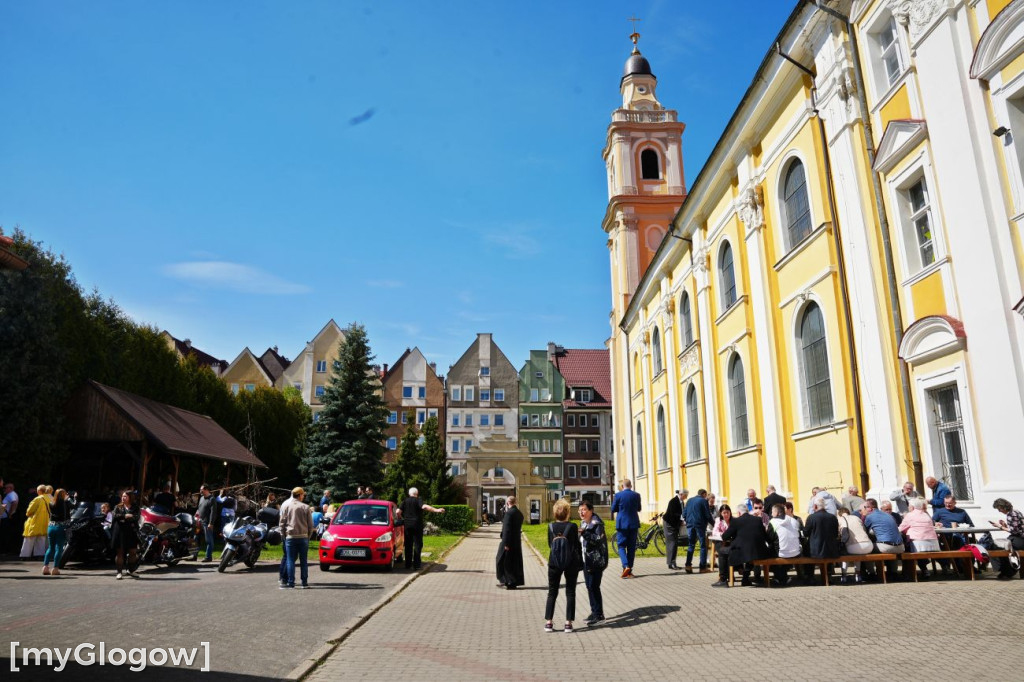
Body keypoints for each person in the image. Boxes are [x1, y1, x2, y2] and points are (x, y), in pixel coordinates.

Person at [544, 499, 581, 633]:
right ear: (568, 512)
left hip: (554, 562)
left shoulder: (550, 527)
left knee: (552, 592)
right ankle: (568, 623)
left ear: (555, 513)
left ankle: (548, 622)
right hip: (570, 563)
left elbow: (550, 544)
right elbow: (576, 545)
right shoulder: (573, 526)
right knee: (570, 592)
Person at [719, 500, 769, 587]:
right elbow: (765, 536)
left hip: (742, 552)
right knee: (750, 553)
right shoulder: (758, 520)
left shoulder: (736, 521)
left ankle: (723, 579)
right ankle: (745, 578)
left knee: (722, 551)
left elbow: (724, 537)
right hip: (759, 551)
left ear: (738, 513)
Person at [399, 487, 445, 570]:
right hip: (417, 525)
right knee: (417, 544)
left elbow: (398, 511)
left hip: (407, 526)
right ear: (417, 494)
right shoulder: (418, 500)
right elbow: (424, 507)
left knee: (408, 545)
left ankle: (408, 564)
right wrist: (436, 510)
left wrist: (402, 518)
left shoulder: (405, 501)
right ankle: (416, 565)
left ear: (409, 494)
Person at [861, 498, 905, 581]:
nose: (864, 509)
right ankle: (893, 573)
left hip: (886, 546)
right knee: (892, 546)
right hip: (901, 546)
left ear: (870, 508)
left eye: (865, 507)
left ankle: (871, 574)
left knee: (866, 549)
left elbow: (864, 531)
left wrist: (863, 516)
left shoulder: (870, 516)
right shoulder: (889, 515)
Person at [578, 500, 606, 624]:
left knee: (594, 586)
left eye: (584, 510)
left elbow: (598, 540)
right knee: (589, 586)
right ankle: (594, 611)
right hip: (586, 560)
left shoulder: (597, 524)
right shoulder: (583, 523)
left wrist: (585, 534)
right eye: (580, 510)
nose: (581, 512)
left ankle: (599, 616)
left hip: (596, 560)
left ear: (591, 510)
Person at [279, 487, 314, 589]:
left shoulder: (287, 506)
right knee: (303, 560)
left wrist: (284, 536)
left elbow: (282, 523)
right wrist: (308, 537)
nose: (303, 496)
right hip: (303, 536)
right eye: (303, 495)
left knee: (290, 560)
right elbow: (310, 526)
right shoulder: (305, 507)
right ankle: (304, 583)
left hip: (290, 536)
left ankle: (291, 583)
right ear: (299, 495)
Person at [899, 497, 940, 579]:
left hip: (919, 544)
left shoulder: (910, 515)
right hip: (933, 544)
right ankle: (923, 570)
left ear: (913, 507)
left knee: (907, 548)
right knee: (914, 545)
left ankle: (909, 573)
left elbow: (900, 529)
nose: (908, 508)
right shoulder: (926, 514)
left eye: (909, 506)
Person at [804, 497, 841, 584]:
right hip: (831, 549)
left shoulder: (811, 517)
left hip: (815, 550)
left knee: (806, 551)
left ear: (815, 506)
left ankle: (810, 577)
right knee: (827, 555)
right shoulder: (832, 517)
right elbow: (836, 533)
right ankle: (828, 576)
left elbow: (806, 533)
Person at [610, 478, 641, 578]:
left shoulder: (618, 495)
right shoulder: (636, 495)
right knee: (631, 547)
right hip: (633, 524)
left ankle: (626, 565)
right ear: (630, 486)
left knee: (621, 546)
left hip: (622, 524)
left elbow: (613, 509)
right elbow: (639, 508)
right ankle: (629, 571)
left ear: (622, 486)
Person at [766, 503, 802, 586]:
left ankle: (779, 577)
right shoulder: (793, 520)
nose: (771, 514)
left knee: (769, 551)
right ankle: (783, 576)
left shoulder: (773, 522)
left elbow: (769, 538)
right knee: (782, 547)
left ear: (777, 513)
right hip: (796, 553)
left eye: (772, 512)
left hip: (781, 553)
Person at [837, 507, 873, 584]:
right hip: (868, 545)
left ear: (839, 514)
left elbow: (841, 534)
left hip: (854, 546)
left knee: (845, 554)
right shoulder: (857, 518)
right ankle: (858, 575)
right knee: (857, 555)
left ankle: (844, 576)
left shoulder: (841, 519)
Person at [990, 498, 1024, 579]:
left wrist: (1000, 526)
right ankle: (1007, 571)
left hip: (1020, 539)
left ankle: (1007, 571)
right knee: (1001, 546)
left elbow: (1015, 531)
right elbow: (1017, 527)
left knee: (997, 547)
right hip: (1019, 539)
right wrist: (1005, 525)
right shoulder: (1016, 512)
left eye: (999, 509)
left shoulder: (1011, 514)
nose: (999, 511)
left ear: (1003, 507)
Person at [42, 488, 72, 576]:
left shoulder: (51, 503)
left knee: (50, 548)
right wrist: (69, 499)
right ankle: (55, 568)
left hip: (51, 526)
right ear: (63, 495)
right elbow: (73, 507)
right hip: (61, 527)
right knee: (59, 548)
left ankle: (45, 567)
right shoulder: (65, 503)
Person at [496, 495, 524, 589]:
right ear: (515, 502)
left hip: (508, 541)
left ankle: (506, 581)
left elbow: (507, 529)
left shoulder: (509, 513)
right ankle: (512, 581)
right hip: (516, 541)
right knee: (514, 562)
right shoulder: (519, 513)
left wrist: (506, 544)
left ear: (508, 503)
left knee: (501, 560)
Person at [110, 490, 140, 580]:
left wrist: (124, 518)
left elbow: (136, 517)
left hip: (131, 532)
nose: (123, 498)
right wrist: (125, 516)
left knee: (133, 552)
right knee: (120, 552)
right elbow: (115, 516)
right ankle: (119, 572)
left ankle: (131, 570)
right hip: (120, 532)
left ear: (130, 497)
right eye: (122, 496)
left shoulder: (135, 507)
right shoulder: (117, 506)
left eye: (125, 496)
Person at [683, 489, 714, 574]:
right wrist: (714, 525)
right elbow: (708, 515)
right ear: (704, 494)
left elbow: (684, 514)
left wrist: (688, 521)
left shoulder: (689, 500)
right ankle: (702, 567)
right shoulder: (703, 501)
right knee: (703, 545)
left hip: (690, 524)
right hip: (699, 525)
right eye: (706, 495)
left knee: (691, 544)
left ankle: (688, 565)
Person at [20, 485, 50, 559]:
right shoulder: (49, 499)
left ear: (39, 491)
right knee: (41, 538)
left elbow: (29, 511)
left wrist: (28, 513)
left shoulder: (37, 499)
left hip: (35, 522)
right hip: (46, 522)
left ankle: (25, 555)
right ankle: (39, 555)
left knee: (29, 539)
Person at [709, 505, 733, 586]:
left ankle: (726, 576)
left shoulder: (734, 521)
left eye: (727, 512)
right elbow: (715, 532)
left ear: (730, 512)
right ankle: (724, 577)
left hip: (731, 542)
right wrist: (724, 534)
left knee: (727, 552)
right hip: (720, 541)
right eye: (724, 513)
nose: (726, 514)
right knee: (722, 551)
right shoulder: (718, 520)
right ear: (721, 513)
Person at [663, 489, 686, 570]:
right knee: (672, 543)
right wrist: (681, 520)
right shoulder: (674, 501)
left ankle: (671, 563)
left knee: (673, 543)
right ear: (681, 494)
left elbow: (681, 513)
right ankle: (672, 563)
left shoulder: (681, 502)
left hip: (674, 524)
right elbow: (673, 514)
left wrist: (682, 520)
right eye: (685, 495)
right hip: (669, 524)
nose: (686, 497)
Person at [195, 484, 219, 562]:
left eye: (201, 489)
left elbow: (213, 512)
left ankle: (208, 557)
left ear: (206, 490)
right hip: (199, 522)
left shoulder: (212, 499)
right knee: (196, 539)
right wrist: (196, 516)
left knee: (209, 540)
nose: (200, 491)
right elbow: (199, 509)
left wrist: (211, 523)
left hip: (207, 523)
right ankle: (194, 555)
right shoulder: (201, 498)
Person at [1, 482, 19, 553]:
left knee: (5, 534)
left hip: (7, 517)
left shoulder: (11, 495)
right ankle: (7, 550)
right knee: (7, 533)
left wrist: (10, 513)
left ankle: (5, 551)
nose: (4, 489)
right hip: (8, 516)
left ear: (10, 488)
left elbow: (14, 502)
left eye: (5, 488)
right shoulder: (12, 494)